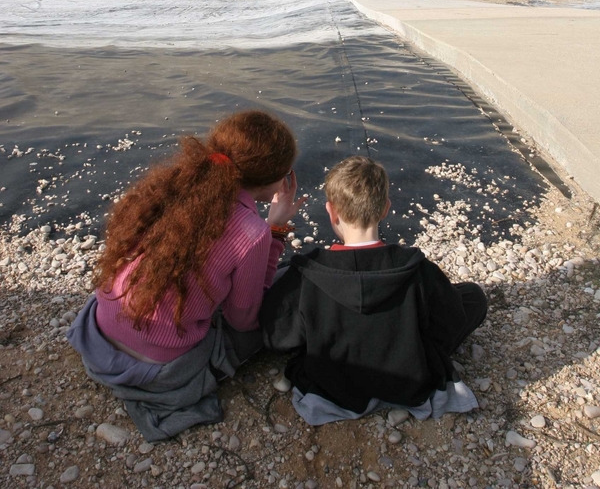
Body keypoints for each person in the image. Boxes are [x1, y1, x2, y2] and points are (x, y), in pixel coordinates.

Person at [67, 109, 302, 440]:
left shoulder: (171, 186)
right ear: (271, 178)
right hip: (159, 367)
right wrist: (275, 230)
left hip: (100, 333)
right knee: (274, 302)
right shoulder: (252, 232)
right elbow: (242, 318)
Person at [260, 155, 487, 426]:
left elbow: (277, 336)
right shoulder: (416, 267)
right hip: (409, 381)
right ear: (385, 209)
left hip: (331, 384)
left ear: (331, 211)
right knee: (472, 296)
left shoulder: (307, 272)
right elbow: (449, 322)